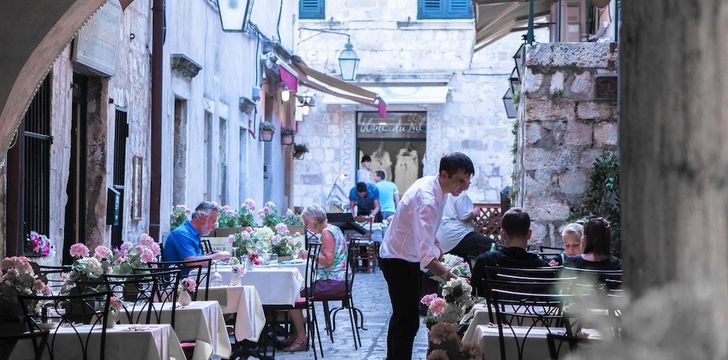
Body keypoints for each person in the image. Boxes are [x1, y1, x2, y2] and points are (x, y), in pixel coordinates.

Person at [379, 152, 474, 360]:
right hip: (398, 258)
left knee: (401, 317)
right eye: (461, 180)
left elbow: (427, 233)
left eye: (468, 181)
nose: (465, 186)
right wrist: (453, 279)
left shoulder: (437, 187)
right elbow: (427, 259)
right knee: (408, 321)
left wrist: (438, 246)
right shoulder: (428, 199)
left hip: (403, 255)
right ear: (444, 175)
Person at [282, 204, 348, 352]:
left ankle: (301, 338)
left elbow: (328, 260)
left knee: (291, 295)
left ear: (314, 219)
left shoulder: (326, 233)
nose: (306, 227)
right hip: (339, 279)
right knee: (297, 290)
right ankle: (299, 329)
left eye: (306, 223)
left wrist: (309, 254)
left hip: (334, 281)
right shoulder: (334, 229)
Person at [472, 208, 548, 282]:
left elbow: (474, 292)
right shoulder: (544, 268)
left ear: (502, 233)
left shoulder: (485, 261)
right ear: (529, 234)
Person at [163, 201, 231, 270]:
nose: (215, 226)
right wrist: (218, 256)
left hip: (193, 278)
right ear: (203, 218)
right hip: (181, 279)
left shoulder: (193, 233)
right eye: (213, 221)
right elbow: (191, 262)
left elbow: (196, 258)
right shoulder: (181, 233)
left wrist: (212, 255)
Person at [436, 192, 495, 260]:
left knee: (463, 261)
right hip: (458, 234)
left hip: (443, 239)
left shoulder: (443, 193)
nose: (469, 182)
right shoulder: (460, 193)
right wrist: (475, 212)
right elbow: (465, 217)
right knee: (490, 245)